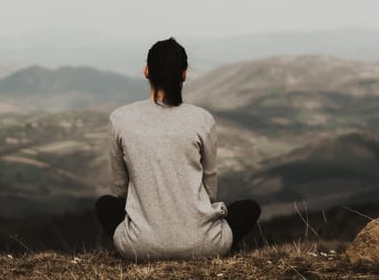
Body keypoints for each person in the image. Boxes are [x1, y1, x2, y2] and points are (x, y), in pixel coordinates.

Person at [95, 37, 261, 261]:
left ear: (146, 71)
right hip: (205, 246)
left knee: (105, 205)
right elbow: (210, 190)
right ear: (184, 74)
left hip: (139, 247)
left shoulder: (120, 119)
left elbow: (121, 190)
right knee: (249, 208)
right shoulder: (202, 119)